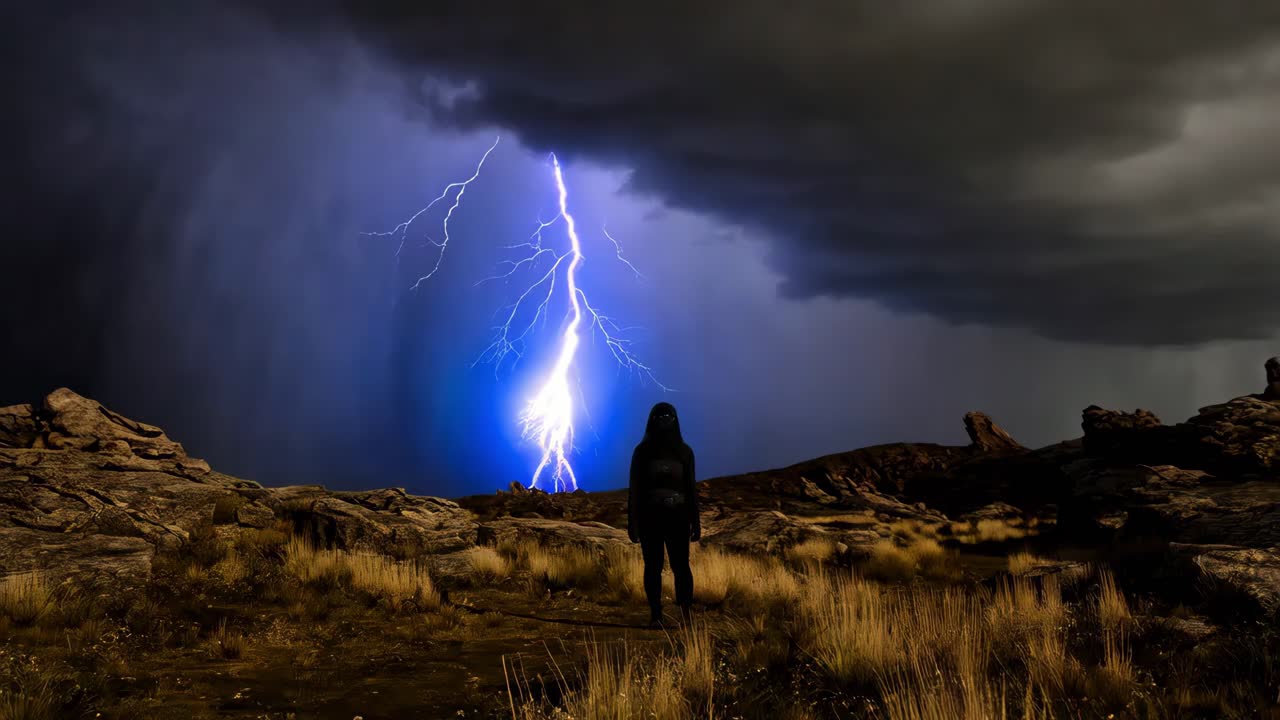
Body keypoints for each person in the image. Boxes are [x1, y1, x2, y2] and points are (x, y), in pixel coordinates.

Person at [628, 401, 700, 627]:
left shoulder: (685, 452)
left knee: (681, 566)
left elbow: (691, 488)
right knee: (653, 566)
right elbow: (635, 489)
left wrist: (695, 522)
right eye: (660, 417)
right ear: (652, 420)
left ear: (675, 420)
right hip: (651, 518)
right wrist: (633, 523)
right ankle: (656, 614)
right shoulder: (642, 452)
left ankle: (686, 613)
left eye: (668, 417)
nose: (664, 421)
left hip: (678, 517)